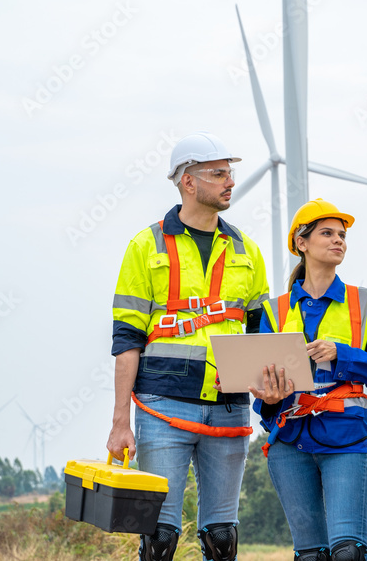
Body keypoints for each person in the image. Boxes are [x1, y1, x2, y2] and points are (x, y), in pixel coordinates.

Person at [107, 131, 270, 561]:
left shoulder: (247, 250)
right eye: (218, 174)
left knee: (222, 537)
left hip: (229, 404)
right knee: (159, 536)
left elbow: (262, 334)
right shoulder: (146, 246)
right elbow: (127, 339)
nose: (229, 182)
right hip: (164, 405)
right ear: (188, 182)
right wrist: (120, 421)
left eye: (230, 174)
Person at [250, 198, 367, 561]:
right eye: (327, 233)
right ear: (301, 243)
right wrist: (269, 399)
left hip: (347, 439)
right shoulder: (274, 309)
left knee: (348, 552)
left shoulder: (365, 303)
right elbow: (264, 398)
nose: (339, 241)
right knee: (311, 556)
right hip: (289, 443)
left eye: (342, 235)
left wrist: (342, 354)